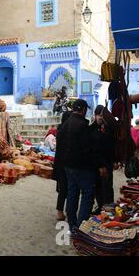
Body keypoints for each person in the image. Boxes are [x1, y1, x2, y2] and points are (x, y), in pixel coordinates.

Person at [56, 99, 96, 230]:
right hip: (80, 166)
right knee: (87, 193)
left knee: (72, 192)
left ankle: (72, 223)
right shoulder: (82, 125)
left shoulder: (65, 124)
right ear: (83, 110)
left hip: (67, 165)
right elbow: (86, 148)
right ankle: (81, 226)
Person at [89, 106, 116, 214]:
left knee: (108, 186)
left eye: (102, 116)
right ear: (95, 115)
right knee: (98, 187)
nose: (101, 118)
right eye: (99, 115)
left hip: (108, 163)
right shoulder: (91, 129)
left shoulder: (109, 129)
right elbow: (92, 150)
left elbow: (112, 146)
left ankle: (109, 210)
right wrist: (100, 166)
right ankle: (101, 207)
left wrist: (114, 161)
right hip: (97, 164)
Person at [53, 111, 73, 221]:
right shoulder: (66, 131)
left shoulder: (61, 129)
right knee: (66, 188)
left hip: (60, 163)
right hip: (64, 164)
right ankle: (63, 212)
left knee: (63, 189)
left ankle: (61, 212)